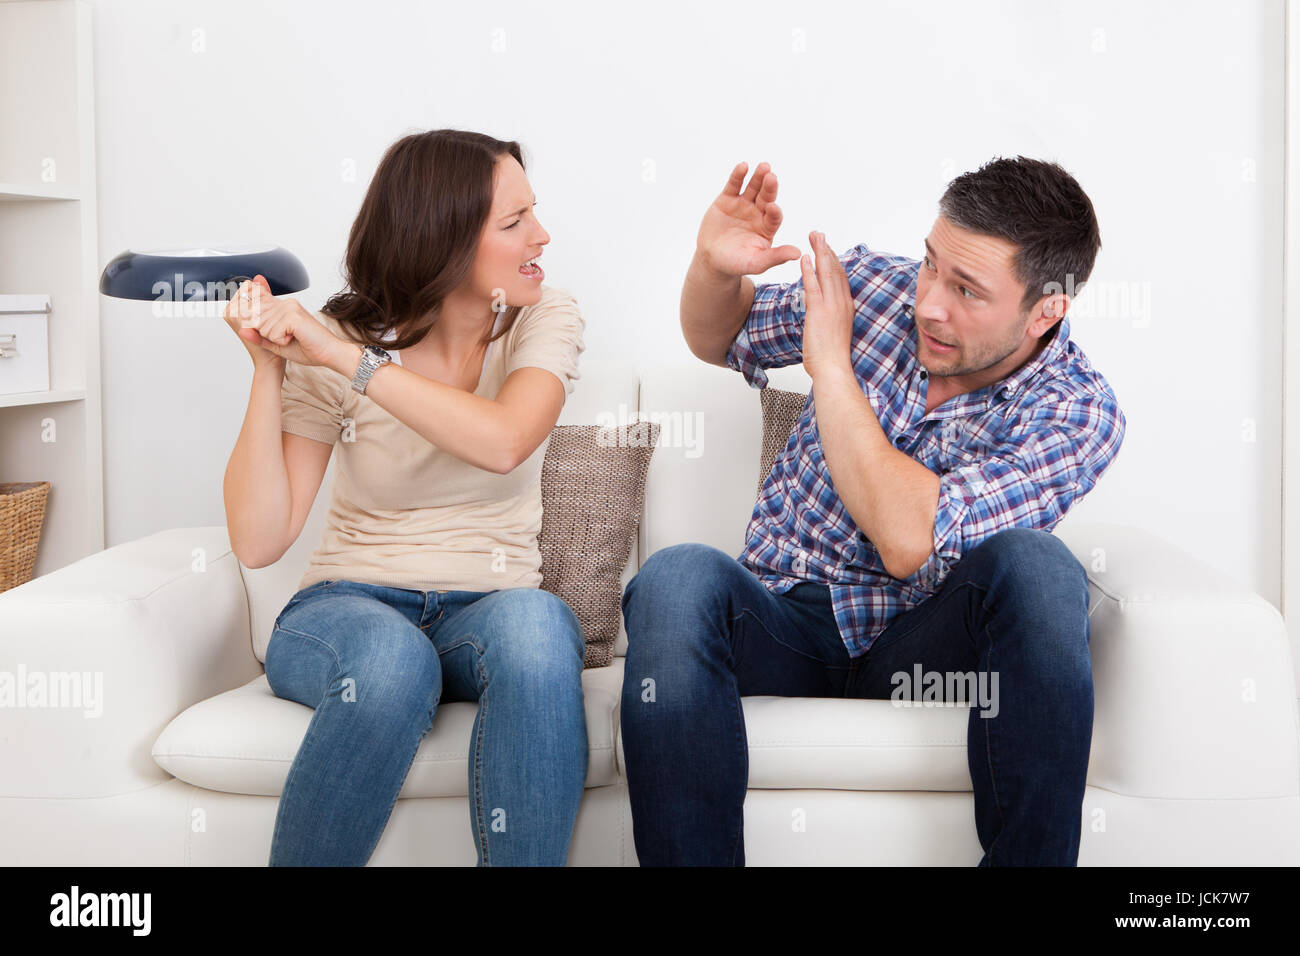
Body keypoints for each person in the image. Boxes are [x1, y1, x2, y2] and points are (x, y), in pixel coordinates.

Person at [620, 156, 1126, 866]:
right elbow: (718, 335)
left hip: (920, 643)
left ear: (1047, 310)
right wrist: (715, 270)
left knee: (1041, 568)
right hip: (784, 618)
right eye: (931, 266)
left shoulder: (1077, 413)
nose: (929, 304)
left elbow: (907, 540)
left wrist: (829, 367)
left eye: (967, 291)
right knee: (674, 579)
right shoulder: (876, 291)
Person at [221, 129, 588, 866]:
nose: (541, 236)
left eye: (533, 214)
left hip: (487, 606)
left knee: (542, 628)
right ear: (445, 240)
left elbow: (505, 439)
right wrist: (269, 372)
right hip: (346, 607)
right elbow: (261, 540)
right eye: (514, 223)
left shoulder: (543, 319)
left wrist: (344, 358)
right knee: (392, 661)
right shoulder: (342, 341)